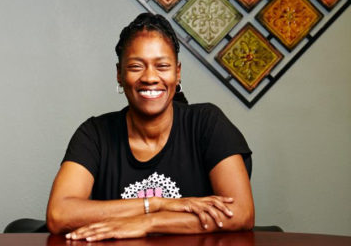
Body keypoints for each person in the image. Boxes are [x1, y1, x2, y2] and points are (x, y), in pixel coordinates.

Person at [46, 13, 254, 241]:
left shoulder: (207, 123)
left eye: (162, 66)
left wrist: (149, 222)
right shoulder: (95, 134)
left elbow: (241, 213)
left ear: (178, 72)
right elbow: (59, 214)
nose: (150, 77)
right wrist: (156, 203)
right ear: (119, 74)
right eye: (136, 66)